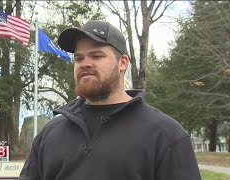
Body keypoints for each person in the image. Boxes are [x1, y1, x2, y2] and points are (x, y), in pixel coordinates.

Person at [19, 20, 201, 180]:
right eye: (78, 58)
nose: (85, 63)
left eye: (96, 56)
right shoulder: (50, 133)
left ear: (123, 63)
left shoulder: (165, 134)